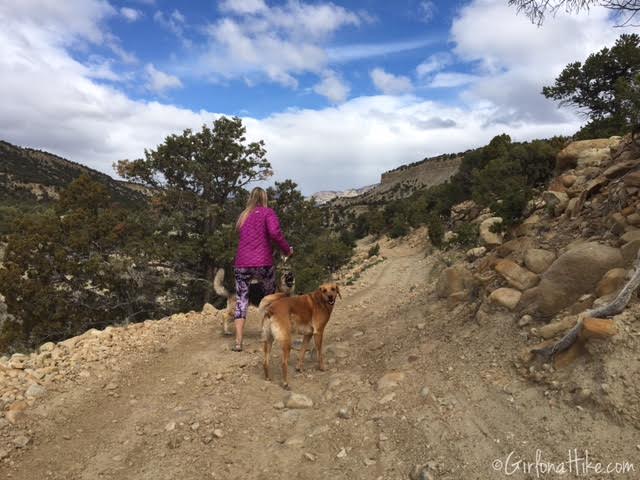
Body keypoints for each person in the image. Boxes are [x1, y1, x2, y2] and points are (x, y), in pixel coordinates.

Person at [232, 187, 293, 351]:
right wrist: (287, 250)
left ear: (251, 198)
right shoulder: (268, 212)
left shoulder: (243, 216)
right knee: (271, 298)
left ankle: (238, 342)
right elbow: (275, 233)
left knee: (242, 300)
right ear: (265, 198)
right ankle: (269, 335)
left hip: (242, 263)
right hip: (263, 262)